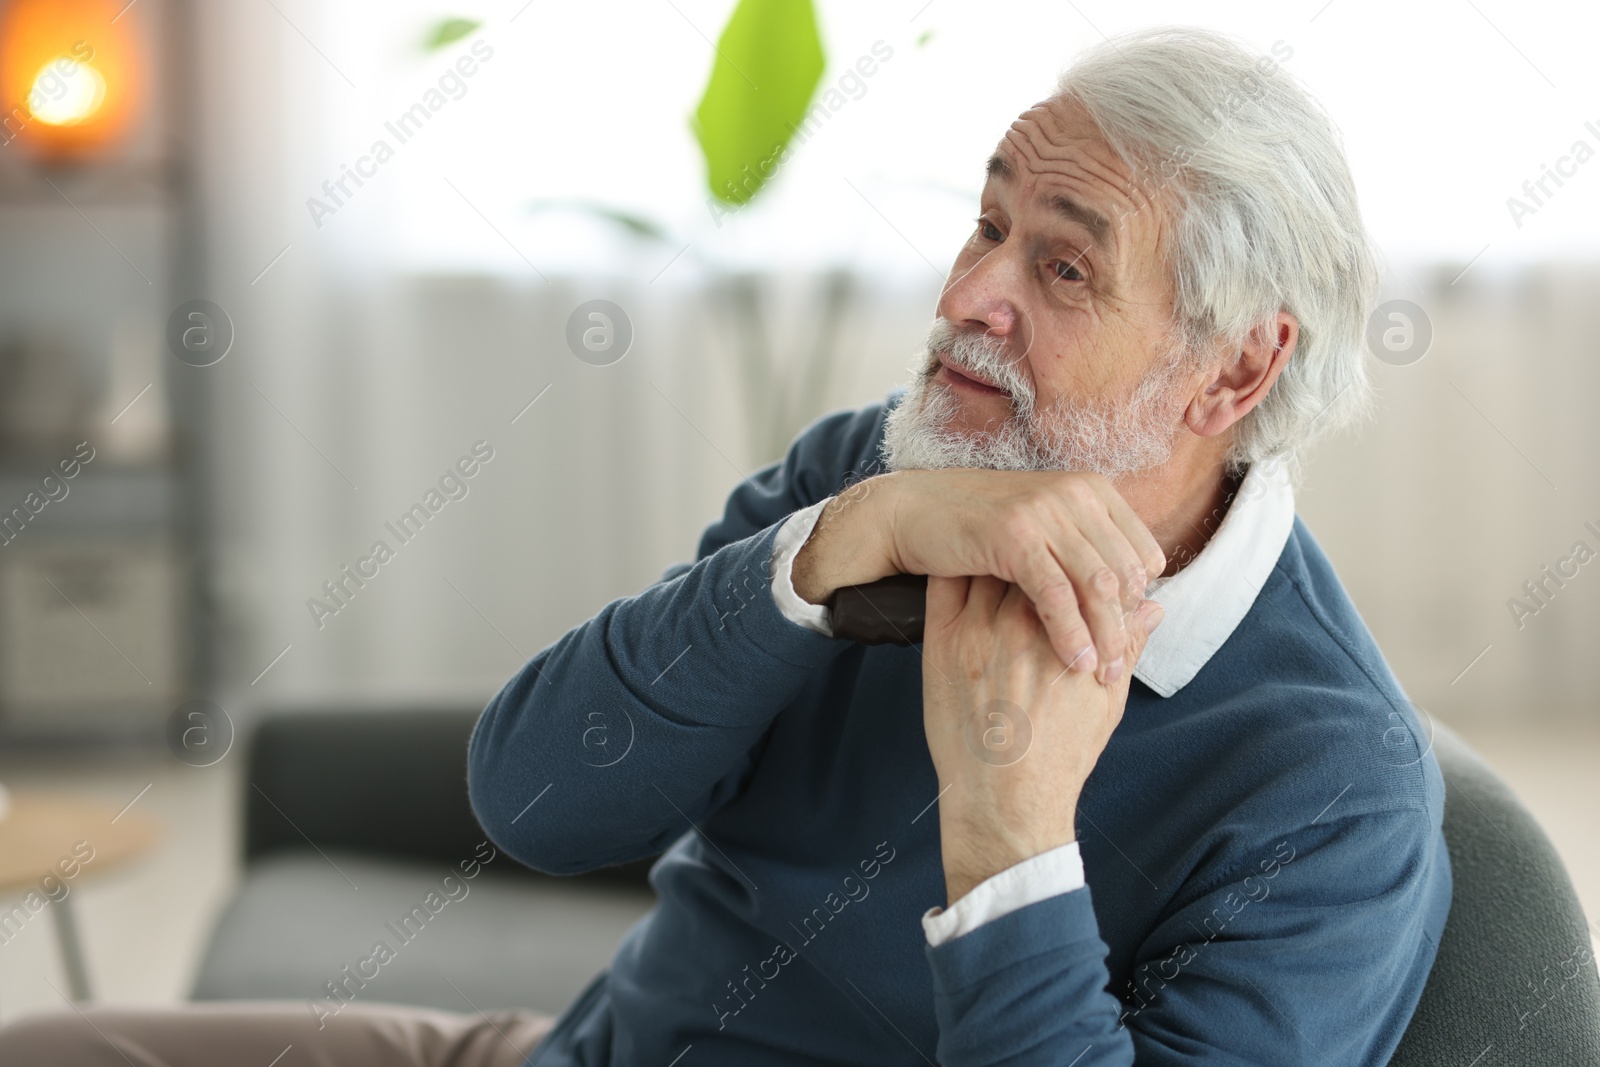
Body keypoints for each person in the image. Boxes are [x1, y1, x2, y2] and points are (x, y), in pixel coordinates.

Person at [0, 25, 1448, 1067]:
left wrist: (1009, 837)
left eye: (1062, 265)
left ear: (1236, 373)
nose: (972, 293)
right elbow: (532, 803)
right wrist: (817, 558)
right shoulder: (871, 472)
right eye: (987, 222)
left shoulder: (1331, 784)